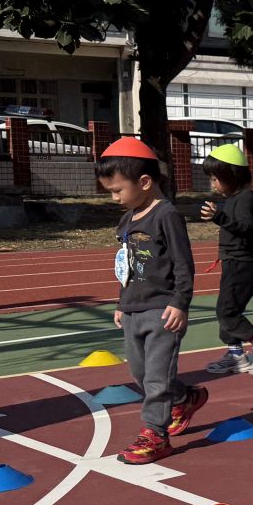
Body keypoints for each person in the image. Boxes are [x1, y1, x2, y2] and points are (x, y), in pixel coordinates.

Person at [97, 137, 207, 465]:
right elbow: (127, 265)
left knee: (157, 378)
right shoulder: (127, 220)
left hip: (163, 310)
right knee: (141, 374)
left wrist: (180, 302)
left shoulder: (166, 215)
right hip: (133, 309)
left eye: (117, 190)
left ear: (144, 182)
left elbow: (183, 263)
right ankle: (184, 398)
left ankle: (155, 434)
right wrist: (122, 302)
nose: (114, 198)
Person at [200, 145, 253, 378]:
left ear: (231, 176)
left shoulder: (245, 198)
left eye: (215, 178)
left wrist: (219, 217)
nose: (212, 184)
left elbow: (247, 228)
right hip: (234, 262)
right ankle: (236, 354)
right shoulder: (235, 199)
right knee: (228, 310)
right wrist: (221, 220)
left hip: (244, 264)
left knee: (227, 312)